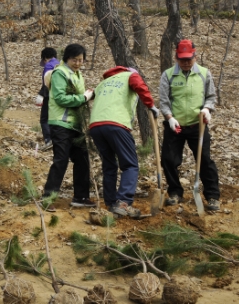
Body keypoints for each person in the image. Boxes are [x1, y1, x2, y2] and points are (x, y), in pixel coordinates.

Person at [89, 67, 159, 218]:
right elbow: (140, 87)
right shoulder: (131, 75)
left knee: (109, 165)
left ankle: (110, 203)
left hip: (95, 125)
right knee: (130, 165)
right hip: (116, 124)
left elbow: (89, 94)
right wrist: (151, 105)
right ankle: (123, 203)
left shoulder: (104, 82)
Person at [159, 39, 220, 211]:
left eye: (189, 59)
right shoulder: (168, 75)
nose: (186, 63)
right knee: (169, 160)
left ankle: (213, 196)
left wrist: (207, 109)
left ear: (195, 56)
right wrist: (170, 117)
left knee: (205, 161)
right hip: (175, 126)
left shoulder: (204, 73)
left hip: (197, 125)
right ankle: (175, 193)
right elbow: (164, 101)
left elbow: (211, 97)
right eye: (182, 59)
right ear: (176, 58)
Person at [42, 44, 95, 210]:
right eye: (74, 59)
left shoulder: (78, 74)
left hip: (75, 125)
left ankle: (81, 196)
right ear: (66, 58)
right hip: (60, 123)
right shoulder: (60, 73)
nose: (78, 63)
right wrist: (83, 98)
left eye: (81, 60)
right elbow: (60, 98)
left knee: (82, 160)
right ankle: (48, 198)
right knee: (61, 159)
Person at [35, 48, 59, 150]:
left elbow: (47, 82)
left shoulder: (48, 66)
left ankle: (49, 140)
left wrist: (41, 95)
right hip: (60, 95)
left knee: (44, 119)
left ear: (44, 58)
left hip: (50, 95)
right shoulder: (59, 64)